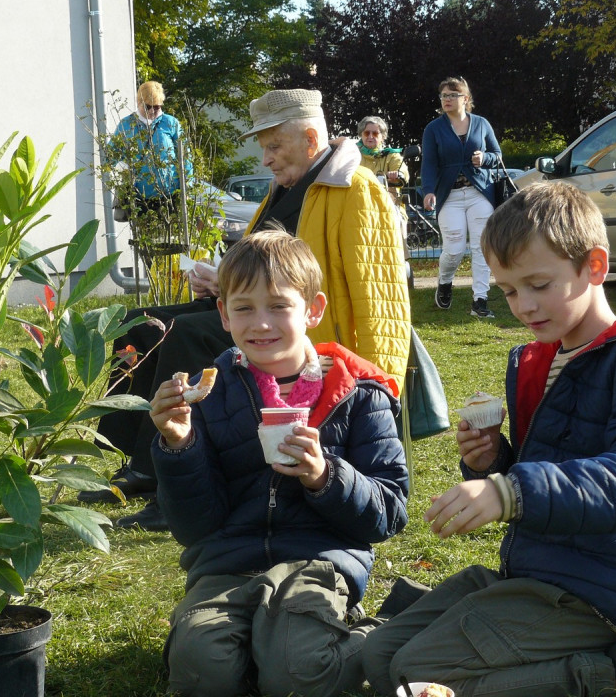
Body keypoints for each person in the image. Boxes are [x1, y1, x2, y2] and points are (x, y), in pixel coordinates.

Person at [362, 182, 616, 696]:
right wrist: (494, 460)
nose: (523, 305)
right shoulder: (542, 359)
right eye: (509, 289)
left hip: (598, 594)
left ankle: (614, 675)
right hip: (530, 574)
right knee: (375, 657)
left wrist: (507, 491)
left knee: (415, 674)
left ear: (594, 267)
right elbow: (555, 464)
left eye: (539, 284)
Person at [82, 88, 410, 532]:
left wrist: (380, 379)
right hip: (260, 312)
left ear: (311, 139)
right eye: (264, 147)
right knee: (140, 324)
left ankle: (162, 477)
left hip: (300, 331)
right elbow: (260, 260)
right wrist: (222, 279)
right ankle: (132, 458)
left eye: (274, 146)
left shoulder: (354, 188)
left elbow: (379, 294)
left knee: (184, 334)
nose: (266, 159)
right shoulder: (287, 188)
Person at [150, 230, 409, 697]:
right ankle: (244, 648)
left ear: (313, 310)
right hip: (225, 565)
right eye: (244, 308)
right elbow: (194, 526)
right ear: (223, 314)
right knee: (200, 671)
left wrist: (325, 475)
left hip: (318, 561)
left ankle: (377, 636)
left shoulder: (359, 393)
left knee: (297, 676)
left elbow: (389, 512)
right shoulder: (206, 395)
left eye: (279, 305)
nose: (261, 323)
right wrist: (179, 444)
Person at [420, 76, 502, 317]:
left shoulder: (482, 123)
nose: (447, 99)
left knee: (480, 247)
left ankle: (480, 301)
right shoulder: (433, 128)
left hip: (479, 193)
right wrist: (429, 191)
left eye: (452, 95)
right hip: (450, 195)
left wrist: (484, 159)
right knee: (454, 248)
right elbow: (429, 164)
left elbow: (497, 155)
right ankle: (444, 282)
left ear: (465, 99)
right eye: (444, 95)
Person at [109, 80, 191, 212]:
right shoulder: (126, 125)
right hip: (138, 196)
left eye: (157, 106)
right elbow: (110, 155)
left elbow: (186, 156)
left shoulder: (170, 123)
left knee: (170, 232)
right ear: (139, 103)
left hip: (169, 193)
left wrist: (187, 186)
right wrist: (121, 166)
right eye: (148, 106)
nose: (153, 110)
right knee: (143, 232)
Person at [356, 115, 412, 289]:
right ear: (361, 135)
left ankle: (402, 262)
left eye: (375, 133)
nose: (371, 136)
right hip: (359, 205)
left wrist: (398, 175)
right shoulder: (352, 155)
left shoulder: (392, 156)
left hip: (389, 205)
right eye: (367, 133)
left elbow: (403, 173)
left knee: (395, 221)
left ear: (382, 137)